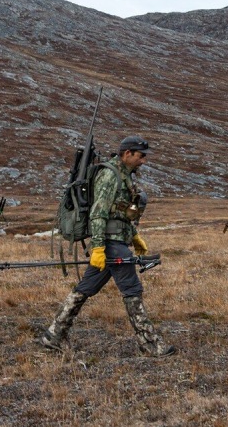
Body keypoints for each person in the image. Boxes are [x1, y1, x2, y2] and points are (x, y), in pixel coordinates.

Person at [39, 136, 176, 357]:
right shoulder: (110, 175)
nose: (143, 161)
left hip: (116, 240)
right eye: (141, 156)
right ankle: (151, 344)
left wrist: (133, 236)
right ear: (127, 153)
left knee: (85, 289)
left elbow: (119, 212)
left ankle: (53, 335)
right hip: (110, 243)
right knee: (132, 290)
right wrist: (98, 247)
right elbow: (98, 212)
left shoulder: (123, 175)